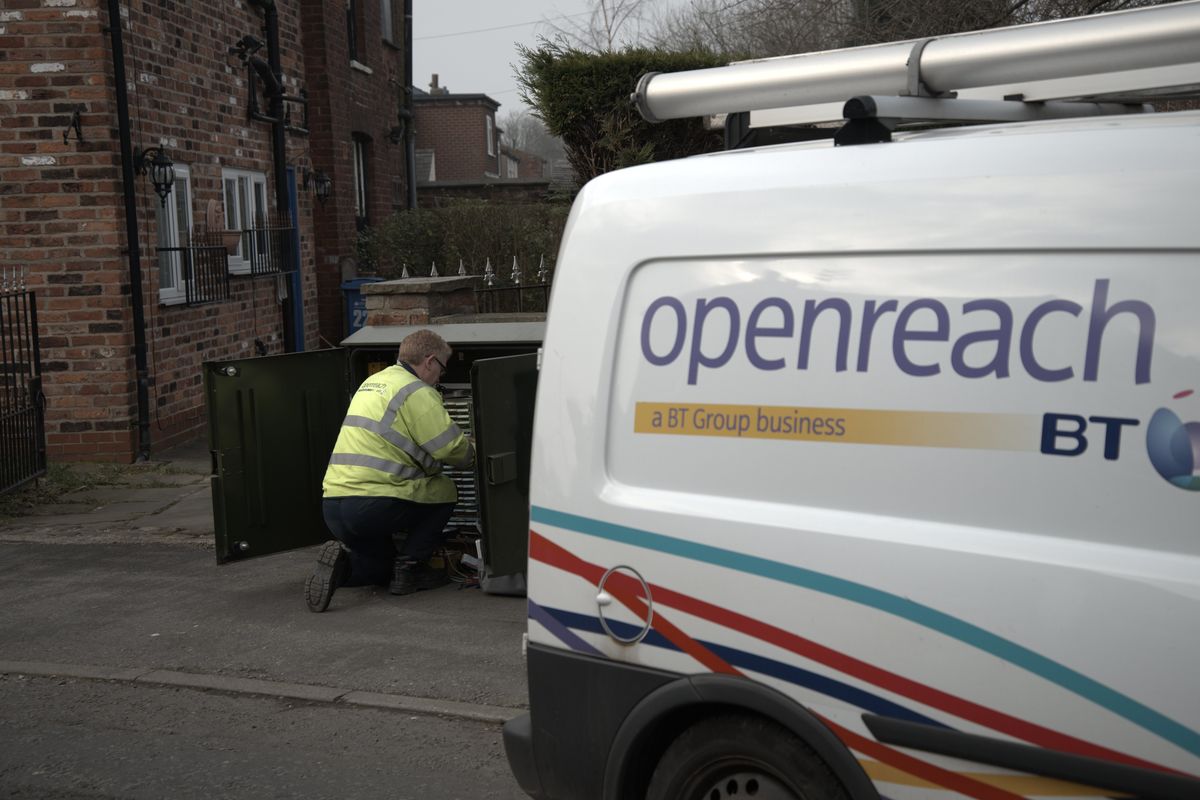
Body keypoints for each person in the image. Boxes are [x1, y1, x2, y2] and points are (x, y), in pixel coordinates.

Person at [305, 329, 475, 612]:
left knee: (380, 569)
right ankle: (411, 568)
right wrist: (475, 452)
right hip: (373, 505)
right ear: (430, 361)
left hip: (334, 507)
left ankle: (341, 570)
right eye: (442, 369)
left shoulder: (373, 382)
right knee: (444, 489)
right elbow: (449, 449)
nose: (440, 377)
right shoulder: (417, 390)